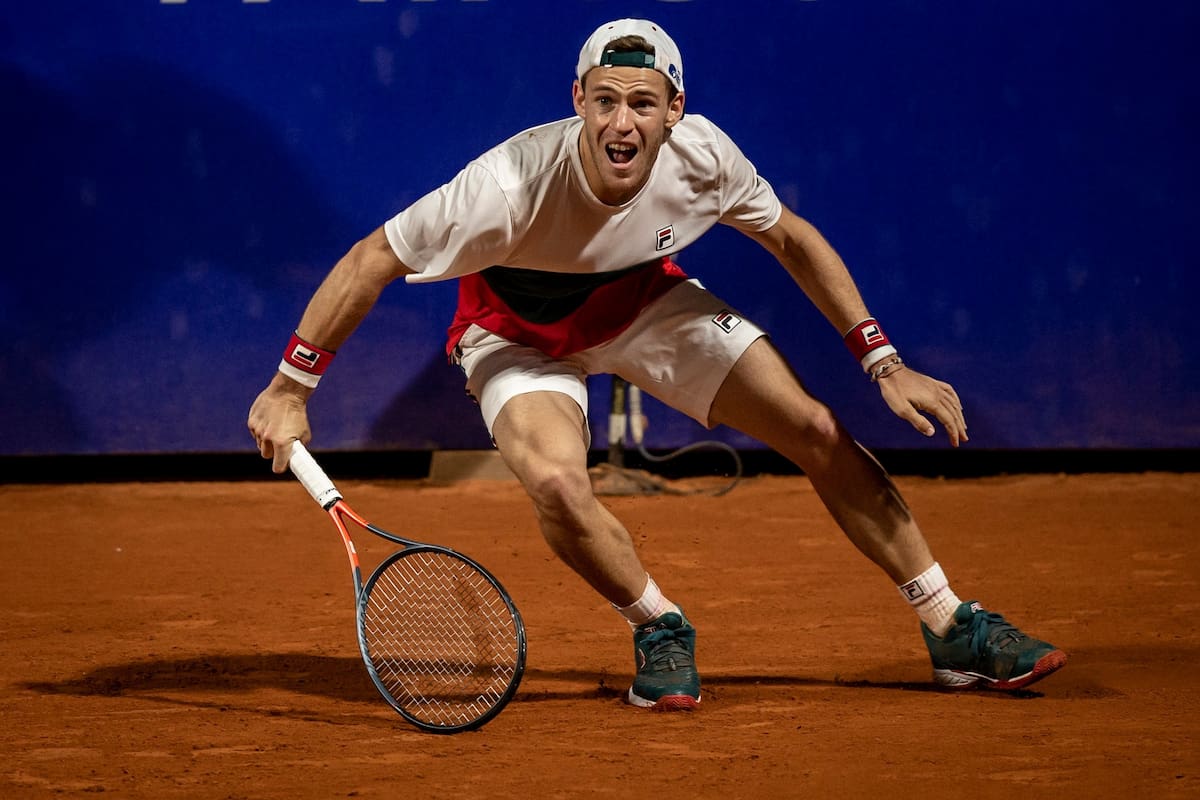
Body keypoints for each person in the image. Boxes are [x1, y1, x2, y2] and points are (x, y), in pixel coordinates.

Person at [248, 18, 1066, 712]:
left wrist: (881, 360)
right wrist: (292, 386)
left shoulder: (704, 158)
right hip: (515, 334)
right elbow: (368, 261)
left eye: (643, 103)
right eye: (604, 100)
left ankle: (950, 624)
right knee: (562, 486)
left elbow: (792, 238)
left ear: (676, 111)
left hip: (644, 306)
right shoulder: (506, 185)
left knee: (815, 425)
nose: (621, 122)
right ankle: (657, 624)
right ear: (578, 103)